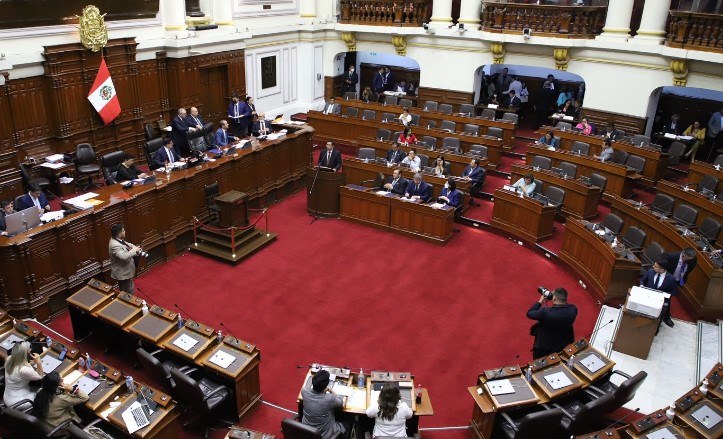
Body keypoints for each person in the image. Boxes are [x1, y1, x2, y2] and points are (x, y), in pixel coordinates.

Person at [527, 287, 578, 359]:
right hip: (562, 346)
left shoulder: (545, 313)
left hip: (543, 348)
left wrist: (540, 301)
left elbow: (530, 313)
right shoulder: (573, 310)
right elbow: (566, 306)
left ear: (553, 298)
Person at [301, 370, 348, 439]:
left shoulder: (304, 392)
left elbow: (309, 380)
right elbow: (340, 402)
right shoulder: (329, 399)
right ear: (326, 385)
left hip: (307, 432)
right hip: (323, 435)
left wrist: (316, 378)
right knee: (347, 423)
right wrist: (330, 390)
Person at [3, 341, 44, 408]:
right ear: (26, 354)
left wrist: (28, 363)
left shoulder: (9, 359)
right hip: (18, 401)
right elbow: (40, 376)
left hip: (7, 396)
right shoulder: (23, 370)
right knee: (42, 394)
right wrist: (38, 363)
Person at [640, 258, 678, 329]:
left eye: (656, 266)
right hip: (647, 296)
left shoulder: (671, 279)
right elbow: (643, 280)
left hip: (660, 299)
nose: (653, 267)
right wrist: (641, 285)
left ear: (662, 270)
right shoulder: (650, 271)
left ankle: (664, 319)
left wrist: (664, 294)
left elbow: (674, 292)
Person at [109, 223, 143, 293]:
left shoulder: (117, 239)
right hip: (123, 273)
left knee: (129, 290)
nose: (125, 232)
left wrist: (135, 247)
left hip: (126, 271)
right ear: (120, 233)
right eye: (123, 231)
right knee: (127, 294)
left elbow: (127, 244)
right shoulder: (114, 245)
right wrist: (134, 250)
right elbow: (124, 257)